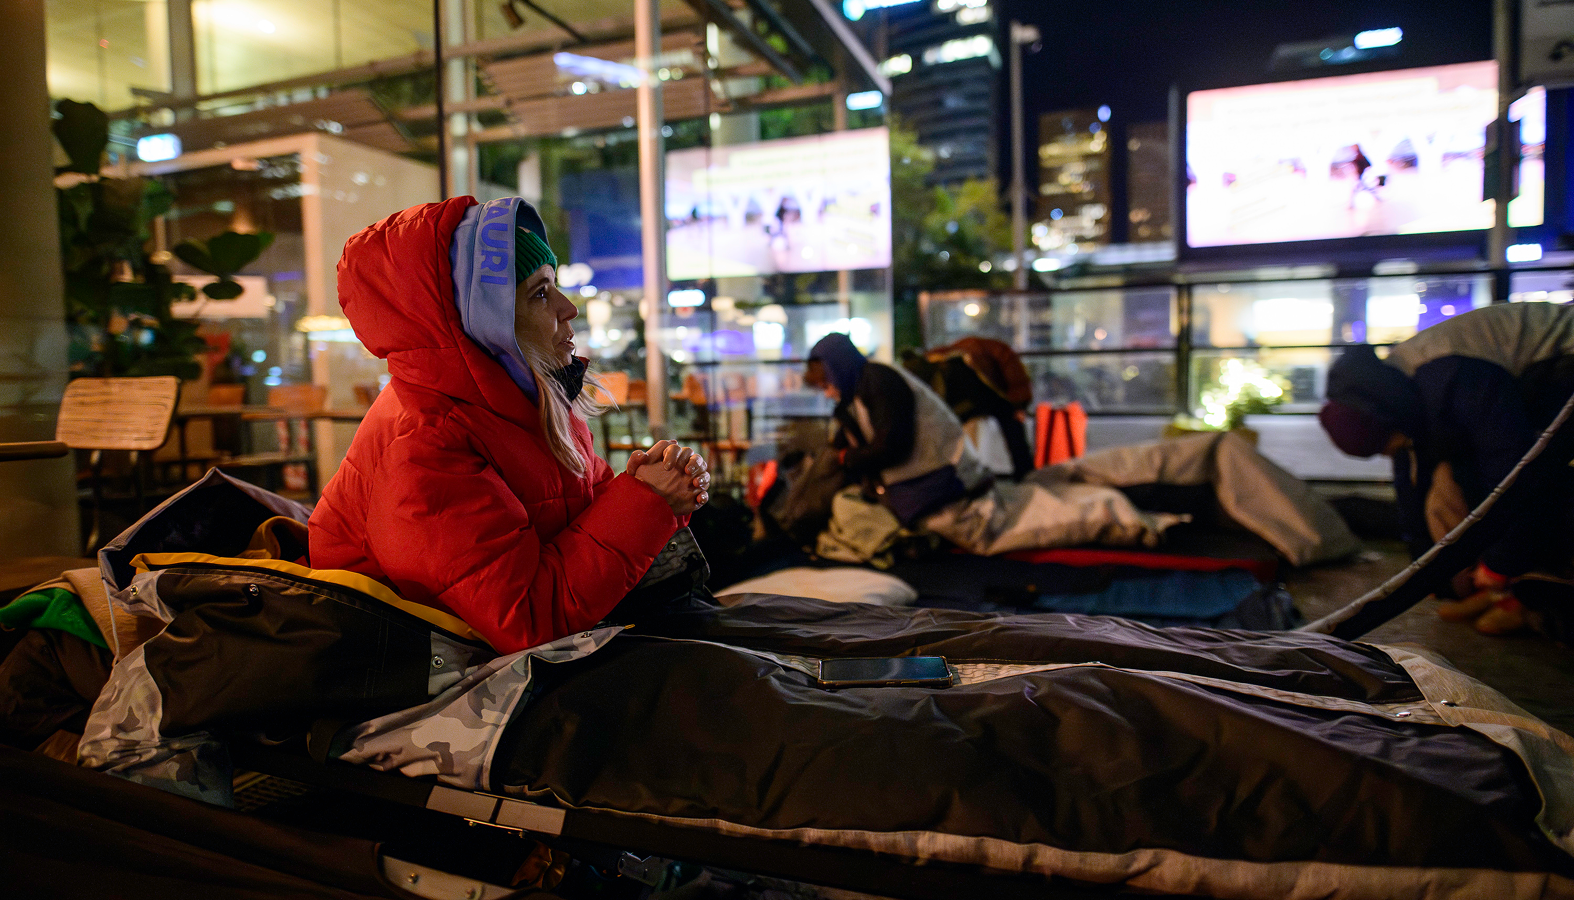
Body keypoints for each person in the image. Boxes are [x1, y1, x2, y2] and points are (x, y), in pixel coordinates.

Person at [308, 197, 710, 653]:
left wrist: (642, 489)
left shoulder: (519, 401)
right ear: (486, 323)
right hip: (419, 684)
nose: (567, 308)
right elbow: (525, 620)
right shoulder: (427, 442)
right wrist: (648, 502)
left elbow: (574, 521)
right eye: (540, 293)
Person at [1319, 301, 1574, 634]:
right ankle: (1500, 591)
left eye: (1391, 444)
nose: (1396, 451)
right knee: (1456, 477)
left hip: (1563, 361)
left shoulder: (1452, 375)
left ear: (1386, 420)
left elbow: (1515, 471)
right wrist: (1429, 576)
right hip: (1539, 384)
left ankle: (1523, 596)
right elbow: (1412, 484)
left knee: (1539, 482)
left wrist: (1499, 564)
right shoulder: (1395, 391)